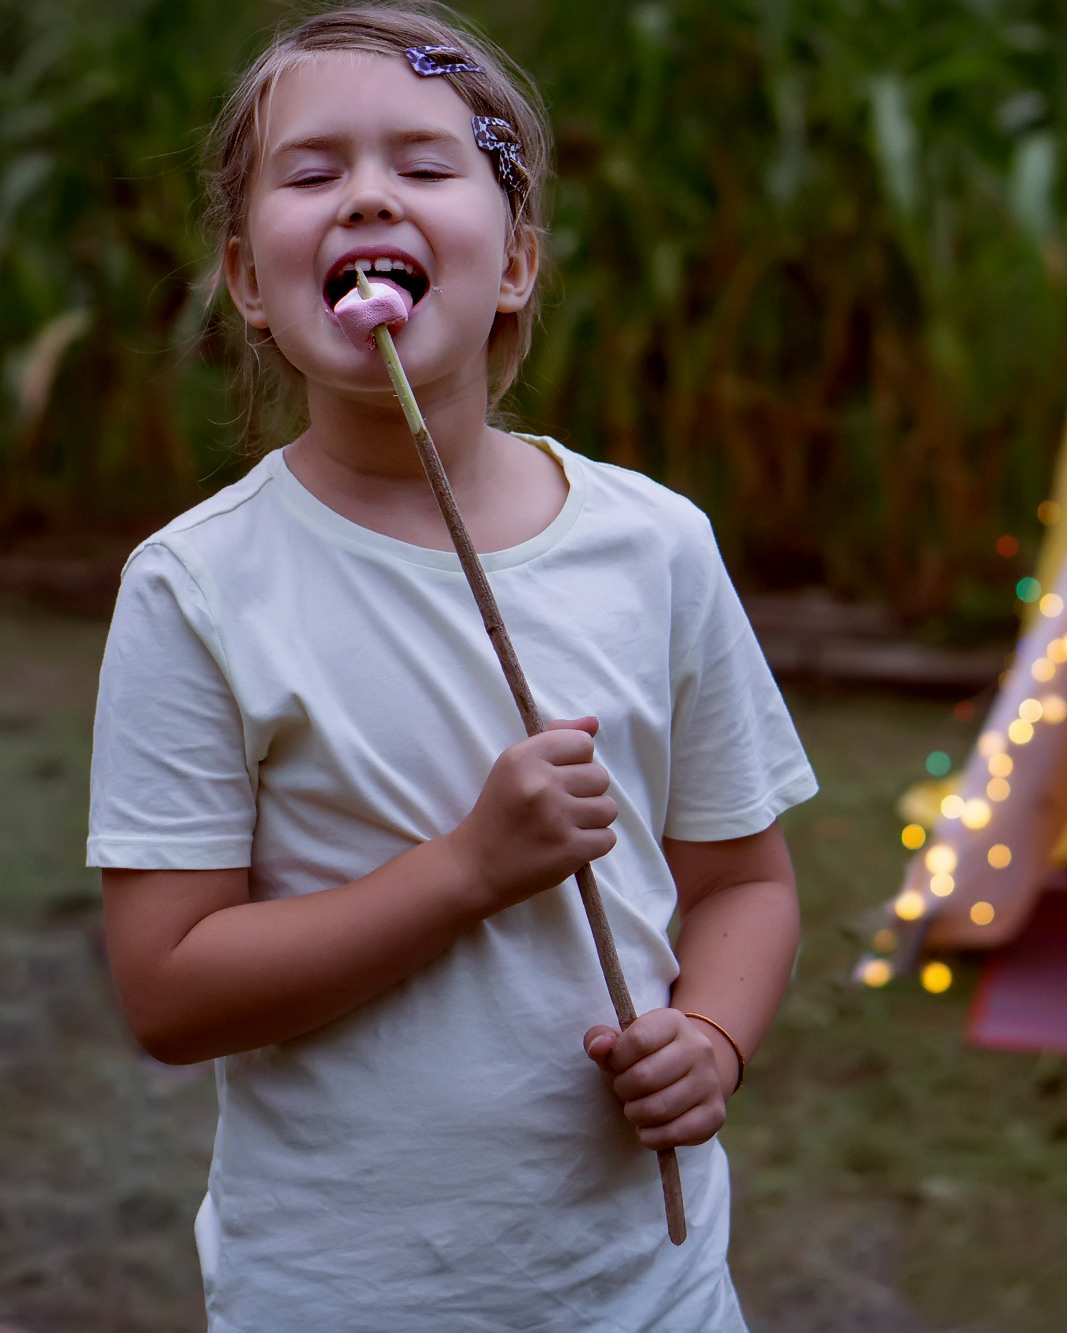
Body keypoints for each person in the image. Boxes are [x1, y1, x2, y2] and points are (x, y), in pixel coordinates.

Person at [85, 6, 815, 1328]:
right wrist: (467, 870)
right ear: (251, 280)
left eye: (424, 166)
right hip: (339, 1295)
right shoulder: (197, 587)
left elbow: (744, 882)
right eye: (314, 173)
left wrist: (711, 1036)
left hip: (645, 1293)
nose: (368, 194)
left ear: (518, 259)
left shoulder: (655, 547)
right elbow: (169, 988)